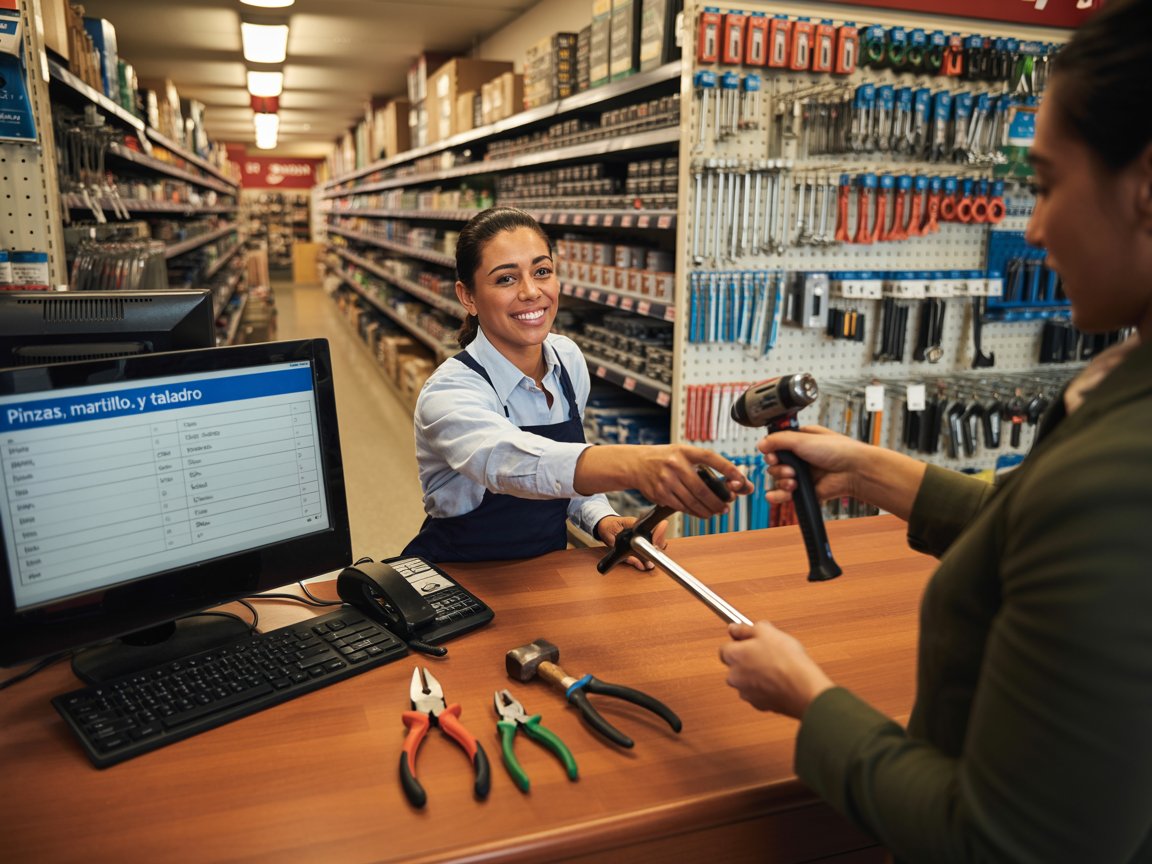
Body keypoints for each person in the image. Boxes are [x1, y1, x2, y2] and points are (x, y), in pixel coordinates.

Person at [719, 1, 1152, 860]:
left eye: (1047, 183)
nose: (1032, 227)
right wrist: (875, 472)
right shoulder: (1125, 390)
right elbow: (1032, 523)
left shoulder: (1125, 475)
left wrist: (811, 702)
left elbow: (999, 844)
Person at [403, 206, 751, 565]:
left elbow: (563, 475)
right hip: (459, 581)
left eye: (542, 271)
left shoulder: (566, 360)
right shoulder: (448, 391)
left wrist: (604, 519)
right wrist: (635, 464)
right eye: (506, 279)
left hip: (545, 576)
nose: (531, 291)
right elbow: (509, 462)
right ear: (468, 296)